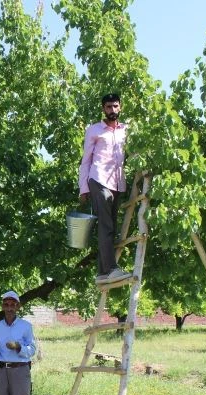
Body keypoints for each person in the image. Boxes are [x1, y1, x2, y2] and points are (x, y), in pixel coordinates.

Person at [78, 92, 132, 284]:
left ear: (120, 107)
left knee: (112, 226)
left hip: (117, 182)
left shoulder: (126, 129)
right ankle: (111, 268)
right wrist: (83, 187)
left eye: (115, 106)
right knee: (106, 224)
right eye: (108, 107)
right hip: (98, 179)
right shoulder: (94, 130)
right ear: (103, 108)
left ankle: (102, 272)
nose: (112, 110)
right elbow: (85, 161)